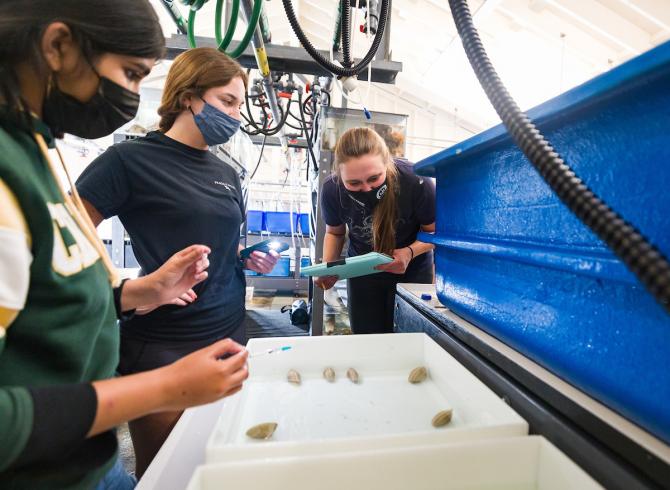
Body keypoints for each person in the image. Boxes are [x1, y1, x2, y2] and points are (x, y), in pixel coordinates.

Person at [0, 2, 249, 489]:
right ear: (56, 46)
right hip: (143, 367)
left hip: (80, 450)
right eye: (131, 74)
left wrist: (133, 293)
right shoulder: (123, 161)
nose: (131, 94)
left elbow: (63, 263)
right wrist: (161, 386)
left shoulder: (37, 147)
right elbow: (76, 238)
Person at [75, 47, 279, 477]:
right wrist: (130, 293)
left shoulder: (226, 172)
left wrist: (245, 259)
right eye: (227, 101)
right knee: (168, 472)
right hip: (167, 344)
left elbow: (216, 247)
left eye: (240, 104)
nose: (237, 115)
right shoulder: (128, 162)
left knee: (221, 464)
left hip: (229, 333)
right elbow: (65, 247)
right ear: (189, 96)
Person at [315, 127, 436, 334]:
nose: (366, 189)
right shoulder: (331, 190)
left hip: (411, 270)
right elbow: (335, 233)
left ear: (387, 164)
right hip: (363, 272)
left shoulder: (416, 182)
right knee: (367, 337)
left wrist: (408, 252)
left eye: (374, 178)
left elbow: (434, 233)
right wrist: (329, 266)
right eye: (354, 183)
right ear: (340, 176)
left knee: (410, 338)